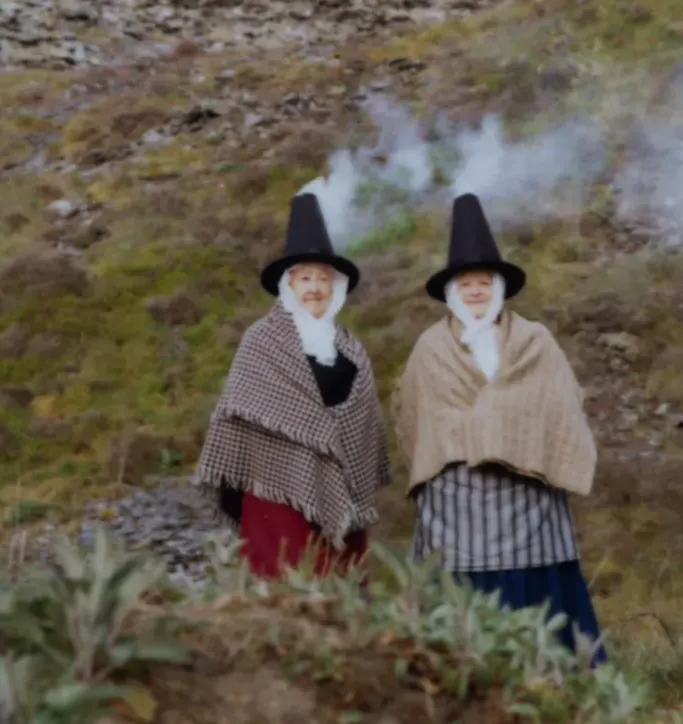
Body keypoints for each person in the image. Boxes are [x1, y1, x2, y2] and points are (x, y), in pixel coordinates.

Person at [393, 193, 609, 664]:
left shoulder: (535, 341)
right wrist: (481, 434)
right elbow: (416, 422)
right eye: (466, 283)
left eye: (484, 282)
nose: (475, 291)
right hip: (458, 517)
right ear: (451, 291)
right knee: (461, 642)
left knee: (547, 629)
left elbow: (562, 409)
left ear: (499, 288)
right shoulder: (429, 349)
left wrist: (501, 430)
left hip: (532, 510)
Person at [194, 193, 391, 580]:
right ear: (289, 284)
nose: (314, 289)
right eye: (305, 278)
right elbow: (234, 424)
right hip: (278, 498)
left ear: (337, 287)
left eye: (323, 279)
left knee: (343, 601)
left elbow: (365, 433)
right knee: (288, 599)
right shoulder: (261, 341)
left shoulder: (352, 349)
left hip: (345, 504)